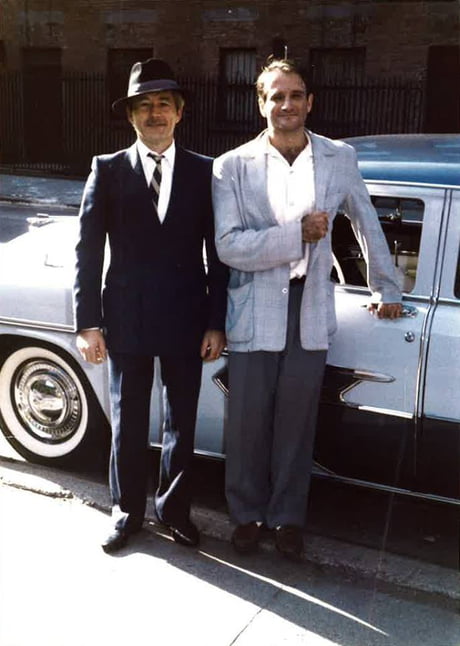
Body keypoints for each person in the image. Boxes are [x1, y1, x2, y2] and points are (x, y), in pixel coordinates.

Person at [212, 58, 402, 561]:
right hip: (253, 308)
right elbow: (229, 246)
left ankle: (287, 520)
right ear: (261, 104)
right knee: (248, 420)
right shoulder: (231, 166)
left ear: (310, 102)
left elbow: (365, 220)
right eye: (276, 96)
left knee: (297, 422)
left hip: (311, 307)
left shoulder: (338, 158)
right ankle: (247, 516)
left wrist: (387, 286)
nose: (287, 105)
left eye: (295, 95)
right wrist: (296, 234)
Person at [73, 58, 228, 553]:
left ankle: (175, 510)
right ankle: (126, 512)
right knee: (129, 418)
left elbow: (219, 254)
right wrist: (88, 324)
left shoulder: (207, 172)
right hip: (127, 317)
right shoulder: (108, 169)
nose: (154, 114)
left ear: (180, 113)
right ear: (131, 117)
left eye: (163, 104)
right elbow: (88, 250)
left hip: (187, 317)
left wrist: (215, 322)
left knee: (181, 419)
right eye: (144, 106)